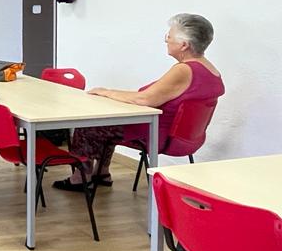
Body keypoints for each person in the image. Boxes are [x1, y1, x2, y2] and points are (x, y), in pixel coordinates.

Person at [53, 13, 225, 192]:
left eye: (169, 36)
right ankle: (101, 173)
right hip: (187, 139)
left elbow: (144, 99)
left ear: (184, 45)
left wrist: (106, 92)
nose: (166, 40)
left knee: (89, 125)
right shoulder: (211, 70)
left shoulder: (184, 70)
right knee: (107, 124)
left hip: (157, 135)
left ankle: (80, 177)